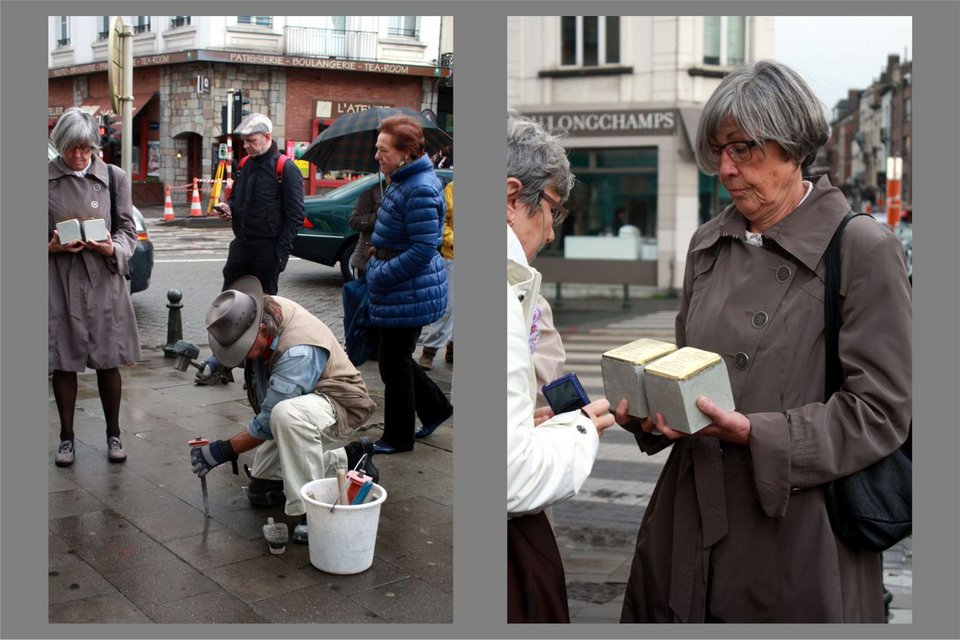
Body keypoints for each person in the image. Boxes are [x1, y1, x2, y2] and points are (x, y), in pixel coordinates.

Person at [615, 60, 912, 623]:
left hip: (797, 533)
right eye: (718, 151)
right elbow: (690, 374)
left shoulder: (863, 249)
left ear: (794, 147)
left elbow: (880, 413)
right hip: (687, 520)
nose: (726, 168)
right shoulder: (708, 243)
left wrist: (757, 433)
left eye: (743, 148)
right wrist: (654, 412)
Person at [506, 111, 616, 623]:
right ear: (512, 198)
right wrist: (581, 427)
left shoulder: (520, 287)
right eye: (552, 209)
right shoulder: (504, 290)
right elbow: (513, 477)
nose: (552, 231)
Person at [189, 276, 379, 543]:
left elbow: (269, 419)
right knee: (263, 488)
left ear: (261, 329)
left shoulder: (297, 352)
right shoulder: (259, 310)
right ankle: (349, 459)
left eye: (244, 348)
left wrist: (225, 450)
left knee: (285, 416)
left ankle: (312, 511)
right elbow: (238, 340)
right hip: (302, 400)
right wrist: (216, 362)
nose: (243, 356)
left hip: (339, 401)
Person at [48, 107, 141, 467]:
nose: (79, 155)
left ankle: (114, 434)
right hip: (60, 280)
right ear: (61, 145)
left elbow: (128, 229)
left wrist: (112, 248)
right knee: (63, 361)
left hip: (103, 280)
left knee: (108, 359)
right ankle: (66, 439)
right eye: (72, 148)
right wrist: (51, 247)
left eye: (86, 148)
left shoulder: (114, 178)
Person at [364, 115, 453, 454]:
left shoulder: (419, 187)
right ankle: (436, 408)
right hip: (402, 286)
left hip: (408, 289)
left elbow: (423, 249)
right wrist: (380, 249)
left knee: (393, 362)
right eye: (377, 148)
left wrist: (382, 272)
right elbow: (403, 233)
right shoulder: (404, 180)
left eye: (383, 150)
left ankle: (398, 437)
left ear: (406, 153)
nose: (377, 155)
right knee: (396, 357)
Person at [196, 112, 305, 385]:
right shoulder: (244, 164)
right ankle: (224, 363)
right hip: (241, 246)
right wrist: (229, 208)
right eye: (244, 141)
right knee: (228, 306)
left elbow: (295, 215)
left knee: (263, 313)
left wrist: (280, 253)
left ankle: (258, 370)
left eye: (251, 141)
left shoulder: (285, 168)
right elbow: (237, 199)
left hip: (267, 249)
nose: (246, 146)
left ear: (267, 137)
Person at [418, 180, 455, 371]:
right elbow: (442, 222)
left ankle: (453, 348)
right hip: (454, 255)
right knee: (448, 306)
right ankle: (429, 350)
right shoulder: (452, 188)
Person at [348, 176, 389, 279]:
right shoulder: (371, 194)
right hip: (365, 259)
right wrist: (378, 216)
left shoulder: (404, 194)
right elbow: (354, 221)